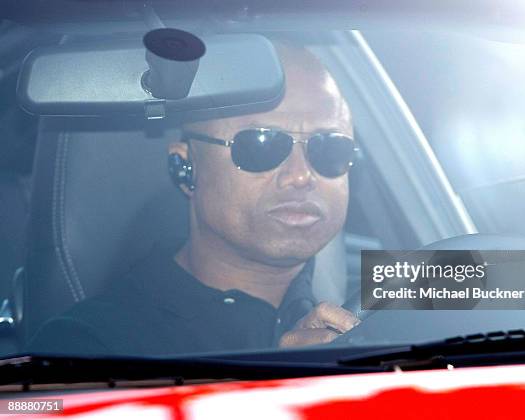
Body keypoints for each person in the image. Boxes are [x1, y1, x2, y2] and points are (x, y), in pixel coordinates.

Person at [27, 39, 360, 356]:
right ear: (185, 166)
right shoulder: (92, 344)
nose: (300, 175)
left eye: (331, 148)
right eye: (261, 145)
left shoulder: (377, 293)